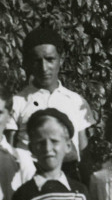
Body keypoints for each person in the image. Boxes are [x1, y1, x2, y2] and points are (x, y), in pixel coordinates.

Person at [8, 27, 96, 180]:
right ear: (28, 63)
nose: (43, 68)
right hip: (29, 180)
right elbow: (8, 153)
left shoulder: (75, 101)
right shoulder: (17, 102)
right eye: (36, 61)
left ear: (60, 60)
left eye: (50, 59)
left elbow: (84, 154)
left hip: (69, 179)